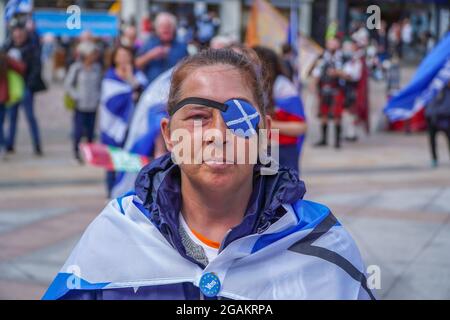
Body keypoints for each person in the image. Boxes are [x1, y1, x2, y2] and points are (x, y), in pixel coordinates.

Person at [43, 48, 374, 300]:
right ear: (169, 135)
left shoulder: (322, 244)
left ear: (265, 132)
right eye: (198, 116)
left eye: (240, 117)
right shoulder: (114, 235)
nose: (219, 134)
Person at [100, 45, 147, 197]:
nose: (123, 59)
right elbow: (111, 102)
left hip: (133, 125)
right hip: (113, 127)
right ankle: (110, 192)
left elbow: (145, 95)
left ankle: (127, 192)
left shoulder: (138, 75)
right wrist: (129, 95)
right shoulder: (110, 77)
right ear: (114, 58)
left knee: (130, 159)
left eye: (126, 55)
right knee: (112, 160)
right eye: (119, 55)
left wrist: (131, 80)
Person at [253, 46, 307, 174]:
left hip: (281, 150)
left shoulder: (283, 88)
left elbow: (300, 127)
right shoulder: (254, 85)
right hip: (262, 148)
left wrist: (266, 124)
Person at [4, 21, 46, 155]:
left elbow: (36, 67)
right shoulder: (7, 47)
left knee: (30, 117)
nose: (17, 35)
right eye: (15, 33)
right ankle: (10, 145)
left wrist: (29, 85)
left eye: (20, 33)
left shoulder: (31, 48)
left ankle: (37, 144)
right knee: (12, 117)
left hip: (26, 87)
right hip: (12, 88)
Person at [64, 41, 103, 162]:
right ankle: (76, 153)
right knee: (78, 130)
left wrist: (98, 96)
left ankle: (90, 154)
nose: (94, 56)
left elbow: (100, 84)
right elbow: (68, 84)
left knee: (91, 131)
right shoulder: (76, 67)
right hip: (80, 105)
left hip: (93, 104)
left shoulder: (97, 68)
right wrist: (76, 96)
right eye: (92, 53)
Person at [136, 12, 188, 84]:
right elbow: (136, 65)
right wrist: (150, 55)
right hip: (152, 90)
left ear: (174, 28)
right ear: (157, 29)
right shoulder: (149, 44)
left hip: (173, 90)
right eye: (162, 26)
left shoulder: (182, 46)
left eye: (169, 26)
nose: (165, 29)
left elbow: (188, 69)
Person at [312, 37, 344, 149]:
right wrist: (314, 85)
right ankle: (324, 139)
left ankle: (337, 141)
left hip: (337, 88)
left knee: (337, 115)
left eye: (334, 43)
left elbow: (350, 73)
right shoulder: (322, 57)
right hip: (324, 88)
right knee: (323, 114)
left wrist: (338, 73)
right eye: (330, 43)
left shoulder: (343, 57)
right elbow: (317, 72)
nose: (332, 45)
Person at [0, 49, 25, 157]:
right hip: (4, 95)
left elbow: (21, 68)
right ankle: (5, 144)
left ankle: (4, 144)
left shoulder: (4, 59)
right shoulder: (5, 59)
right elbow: (21, 68)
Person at [425, 82, 450, 168]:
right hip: (432, 118)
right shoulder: (431, 89)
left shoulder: (446, 90)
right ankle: (434, 159)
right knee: (432, 140)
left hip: (445, 118)